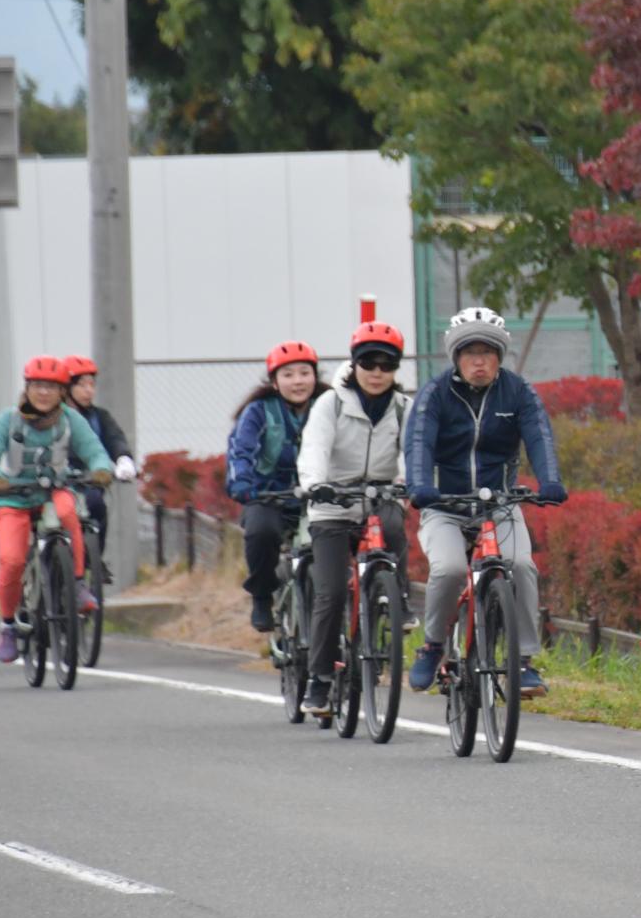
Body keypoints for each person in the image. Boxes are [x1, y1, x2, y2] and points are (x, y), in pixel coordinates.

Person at [404, 307, 567, 698]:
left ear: (500, 356)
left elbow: (539, 435)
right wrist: (420, 486)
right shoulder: (435, 394)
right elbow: (418, 444)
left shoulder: (518, 391)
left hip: (500, 504)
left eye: (488, 352)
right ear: (456, 357)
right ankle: (432, 646)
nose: (479, 361)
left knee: (521, 566)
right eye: (470, 352)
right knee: (448, 570)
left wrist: (550, 481)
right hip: (444, 505)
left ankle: (524, 662)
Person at [295, 322, 411, 716]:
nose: (377, 372)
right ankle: (320, 680)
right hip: (333, 503)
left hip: (379, 496)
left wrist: (406, 482)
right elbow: (314, 446)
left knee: (395, 526)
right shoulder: (332, 403)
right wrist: (316, 484)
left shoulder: (402, 406)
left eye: (387, 364)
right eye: (368, 362)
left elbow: (411, 452)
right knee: (331, 591)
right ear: (354, 363)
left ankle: (398, 599)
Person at [0, 355, 113, 662]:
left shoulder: (70, 420)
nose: (44, 393)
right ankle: (9, 625)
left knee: (70, 514)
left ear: (62, 392)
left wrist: (102, 469)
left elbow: (95, 451)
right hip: (14, 496)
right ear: (27, 387)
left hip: (54, 492)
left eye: (51, 387)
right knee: (11, 561)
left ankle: (77, 584)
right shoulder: (8, 420)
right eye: (37, 385)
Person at [227, 341, 325, 632]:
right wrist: (242, 483)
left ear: (315, 376)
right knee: (261, 532)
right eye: (288, 374)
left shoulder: (328, 406)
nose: (298, 381)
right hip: (269, 495)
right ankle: (261, 595)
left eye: (305, 373)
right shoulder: (259, 411)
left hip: (318, 496)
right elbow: (240, 450)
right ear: (274, 381)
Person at [62, 356, 139, 557]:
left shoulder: (99, 417)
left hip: (88, 479)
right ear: (66, 388)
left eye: (92, 385)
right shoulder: (54, 417)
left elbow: (115, 438)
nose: (89, 390)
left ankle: (94, 561)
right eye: (82, 385)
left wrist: (123, 459)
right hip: (57, 481)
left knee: (97, 505)